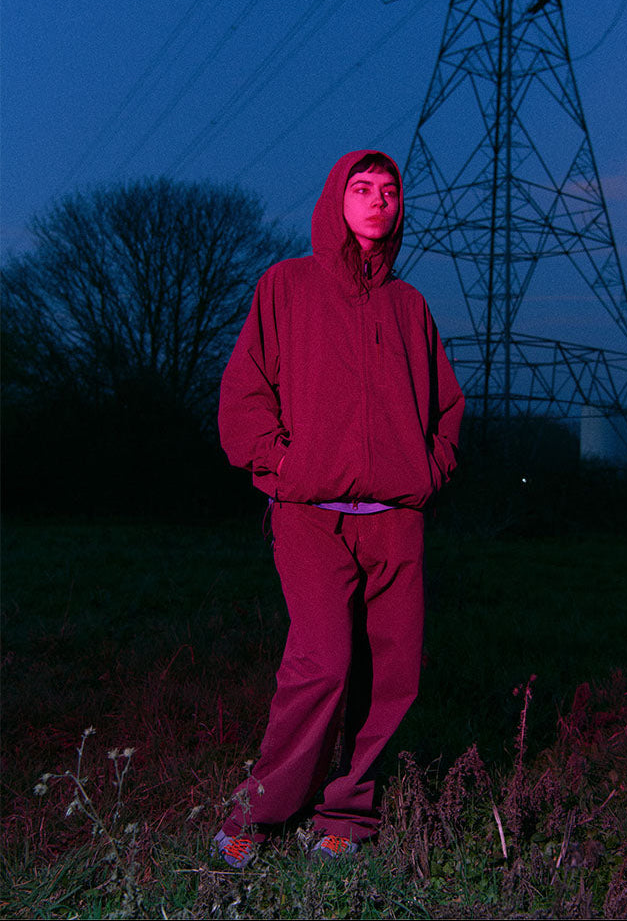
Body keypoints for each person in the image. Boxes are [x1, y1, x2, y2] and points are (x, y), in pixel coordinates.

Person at [212, 149, 464, 867]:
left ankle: (347, 815)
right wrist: (284, 464)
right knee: (321, 662)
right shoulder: (286, 287)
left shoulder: (409, 305)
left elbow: (448, 409)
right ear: (336, 199)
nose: (379, 201)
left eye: (390, 191)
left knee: (393, 673)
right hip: (311, 512)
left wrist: (429, 473)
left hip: (394, 518)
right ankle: (256, 815)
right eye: (363, 189)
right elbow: (244, 395)